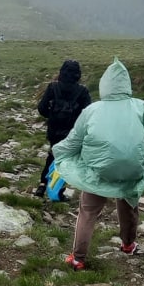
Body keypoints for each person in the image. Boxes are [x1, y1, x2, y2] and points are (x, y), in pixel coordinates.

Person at [53, 58, 144, 270]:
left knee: (88, 211)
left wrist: (57, 155)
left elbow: (73, 141)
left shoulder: (92, 110)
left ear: (104, 85)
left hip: (99, 171)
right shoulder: (142, 108)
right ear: (126, 85)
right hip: (132, 169)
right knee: (129, 206)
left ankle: (78, 258)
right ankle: (128, 244)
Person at [34, 59, 93, 198]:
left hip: (54, 129)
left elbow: (42, 108)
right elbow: (88, 113)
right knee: (68, 159)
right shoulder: (82, 91)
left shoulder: (53, 87)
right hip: (73, 130)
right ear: (77, 74)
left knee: (53, 154)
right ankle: (58, 190)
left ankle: (42, 184)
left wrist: (53, 115)